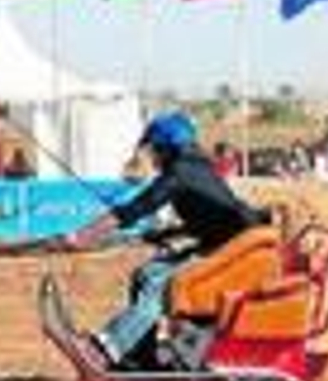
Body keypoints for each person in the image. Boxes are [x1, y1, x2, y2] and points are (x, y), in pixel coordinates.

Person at [59, 111, 268, 367]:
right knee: (146, 274)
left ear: (166, 147)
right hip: (229, 246)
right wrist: (164, 234)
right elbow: (208, 218)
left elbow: (138, 208)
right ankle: (138, 353)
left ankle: (105, 350)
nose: (154, 157)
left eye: (155, 150)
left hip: (231, 252)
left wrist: (83, 235)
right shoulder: (195, 166)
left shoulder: (180, 172)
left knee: (161, 288)